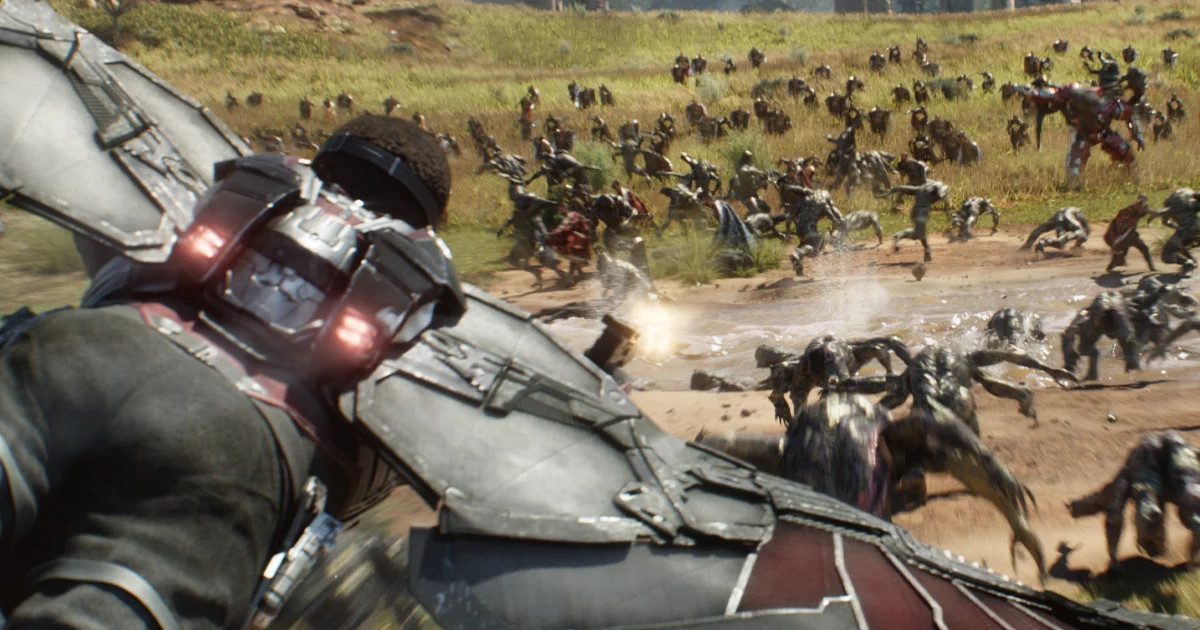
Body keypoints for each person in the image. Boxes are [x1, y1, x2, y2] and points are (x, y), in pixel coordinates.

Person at [0, 116, 465, 629]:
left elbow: (114, 272)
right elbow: (371, 475)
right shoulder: (421, 302)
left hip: (83, 348)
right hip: (236, 448)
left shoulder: (241, 186)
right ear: (432, 218)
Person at [1104, 194, 1156, 272]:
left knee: (1124, 247)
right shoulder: (1137, 208)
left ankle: (1112, 265)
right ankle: (1151, 267)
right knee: (1144, 248)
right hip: (1127, 234)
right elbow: (1144, 212)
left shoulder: (1130, 209)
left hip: (1120, 234)